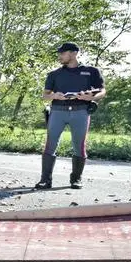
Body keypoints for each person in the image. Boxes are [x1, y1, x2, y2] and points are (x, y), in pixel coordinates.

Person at [35, 42, 106, 190]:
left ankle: (76, 179)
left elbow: (102, 91)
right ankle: (45, 180)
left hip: (81, 111)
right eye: (59, 54)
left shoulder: (91, 71)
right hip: (57, 111)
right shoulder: (54, 74)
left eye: (62, 53)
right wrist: (55, 95)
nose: (59, 56)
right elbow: (45, 95)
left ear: (73, 53)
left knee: (79, 146)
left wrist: (91, 98)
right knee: (50, 144)